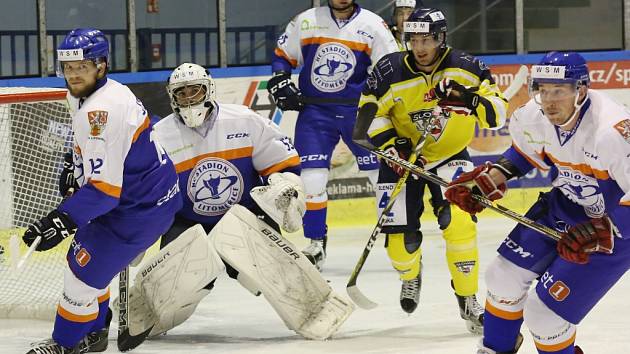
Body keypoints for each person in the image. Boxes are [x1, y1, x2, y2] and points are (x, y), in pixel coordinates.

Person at [120, 63, 355, 345]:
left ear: (208, 90)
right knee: (179, 286)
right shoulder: (158, 137)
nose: (189, 99)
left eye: (194, 91)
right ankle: (144, 310)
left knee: (267, 267)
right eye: (181, 93)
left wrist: (286, 190)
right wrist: (135, 235)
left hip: (244, 217)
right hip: (186, 223)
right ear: (172, 97)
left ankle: (316, 307)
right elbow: (147, 195)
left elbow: (283, 166)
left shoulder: (245, 121)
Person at [446, 51, 630, 354]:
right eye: (543, 90)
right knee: (502, 276)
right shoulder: (534, 114)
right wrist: (492, 178)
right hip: (564, 206)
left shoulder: (612, 131)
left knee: (544, 316)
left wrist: (603, 230)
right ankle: (495, 348)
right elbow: (524, 154)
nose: (549, 100)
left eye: (558, 91)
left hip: (615, 232)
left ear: (581, 91)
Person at [22, 28, 182, 354]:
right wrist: (75, 162)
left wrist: (60, 219)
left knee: (79, 280)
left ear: (101, 65)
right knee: (84, 259)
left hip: (138, 210)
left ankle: (66, 344)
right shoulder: (112, 92)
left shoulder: (100, 111)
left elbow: (105, 192)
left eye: (82, 67)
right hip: (149, 196)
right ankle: (94, 332)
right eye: (68, 68)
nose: (74, 74)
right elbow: (116, 149)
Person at [358, 7, 508, 334]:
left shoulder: (467, 68)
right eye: (413, 39)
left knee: (460, 225)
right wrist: (391, 147)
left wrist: (469, 99)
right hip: (401, 160)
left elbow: (498, 115)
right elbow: (369, 114)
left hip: (450, 156)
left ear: (441, 38)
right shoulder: (389, 70)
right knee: (400, 246)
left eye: (427, 39)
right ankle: (411, 275)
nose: (420, 47)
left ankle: (468, 299)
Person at [268, 0, 399, 271]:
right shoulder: (306, 21)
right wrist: (280, 78)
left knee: (381, 176)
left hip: (361, 111)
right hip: (316, 112)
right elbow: (283, 54)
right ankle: (316, 242)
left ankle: (397, 233)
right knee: (312, 178)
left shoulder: (373, 25)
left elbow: (392, 66)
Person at [389, 0, 451, 228]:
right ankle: (410, 223)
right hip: (400, 114)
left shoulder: (434, 41)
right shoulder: (383, 36)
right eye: (400, 12)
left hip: (427, 109)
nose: (405, 16)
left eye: (410, 12)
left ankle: (441, 201)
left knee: (434, 149)